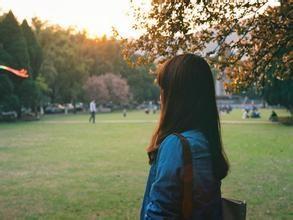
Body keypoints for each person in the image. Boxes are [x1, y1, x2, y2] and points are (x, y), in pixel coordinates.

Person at [140, 54, 229, 219]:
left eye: (163, 89)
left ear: (176, 96)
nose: (160, 97)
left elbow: (159, 214)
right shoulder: (205, 140)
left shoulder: (177, 144)